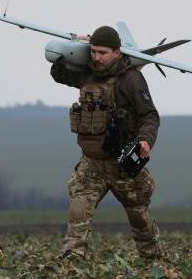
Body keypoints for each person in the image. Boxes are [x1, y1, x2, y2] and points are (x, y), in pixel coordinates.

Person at [51, 25, 162, 259]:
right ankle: (73, 259)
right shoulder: (87, 74)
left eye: (102, 52)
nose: (96, 57)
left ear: (116, 53)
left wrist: (145, 140)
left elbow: (149, 115)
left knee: (138, 214)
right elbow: (58, 74)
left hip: (122, 162)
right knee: (78, 209)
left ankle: (152, 259)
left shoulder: (131, 79)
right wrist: (73, 47)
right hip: (92, 162)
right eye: (93, 52)